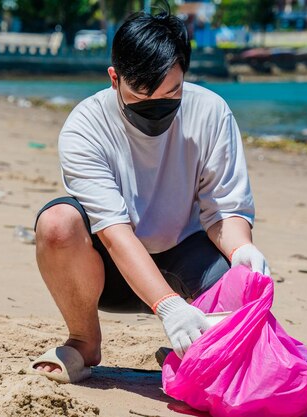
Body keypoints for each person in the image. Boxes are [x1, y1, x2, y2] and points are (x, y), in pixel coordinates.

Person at [30, 9, 270, 384]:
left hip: (187, 258)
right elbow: (114, 232)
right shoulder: (85, 128)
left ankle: (188, 353)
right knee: (57, 224)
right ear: (114, 78)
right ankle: (84, 341)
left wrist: (242, 251)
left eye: (172, 92)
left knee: (240, 282)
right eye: (142, 94)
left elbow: (223, 209)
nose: (158, 105)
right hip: (108, 270)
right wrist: (168, 307)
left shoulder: (211, 113)